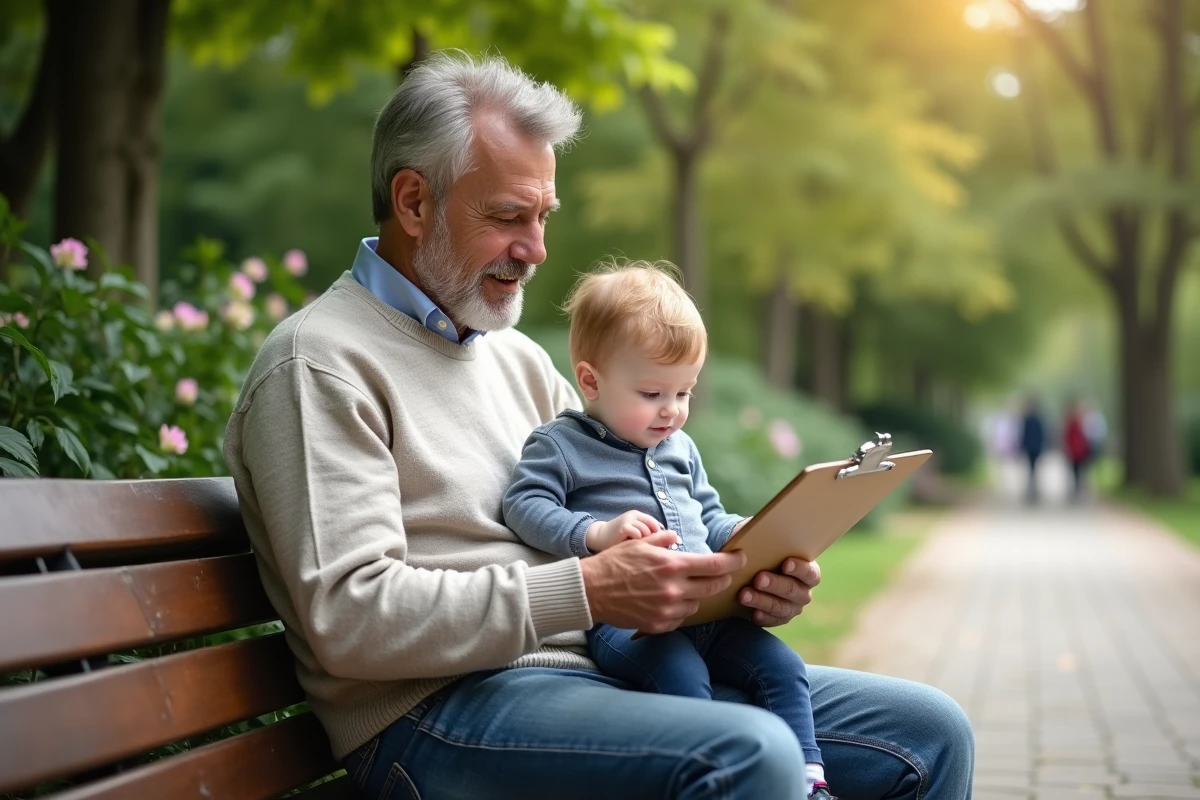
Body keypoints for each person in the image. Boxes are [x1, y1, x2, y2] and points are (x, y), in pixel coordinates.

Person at [224, 53, 974, 799]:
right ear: (414, 203)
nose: (537, 250)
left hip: (598, 672)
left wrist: (741, 578)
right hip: (434, 713)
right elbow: (349, 617)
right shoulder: (318, 364)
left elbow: (611, 509)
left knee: (930, 731)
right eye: (509, 217)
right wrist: (585, 591)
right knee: (751, 755)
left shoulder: (512, 359)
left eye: (543, 216)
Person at [502, 263, 831, 798]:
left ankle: (808, 781)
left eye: (684, 393)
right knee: (681, 677)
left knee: (783, 668)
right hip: (628, 622)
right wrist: (597, 533)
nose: (673, 413)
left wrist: (750, 532)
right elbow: (523, 504)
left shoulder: (679, 448)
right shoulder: (559, 445)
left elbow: (707, 516)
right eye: (654, 393)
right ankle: (715, 774)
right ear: (591, 380)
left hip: (707, 611)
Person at [1062, 400, 1092, 501]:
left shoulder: (1081, 422)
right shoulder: (1073, 422)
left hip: (1079, 450)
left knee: (1077, 470)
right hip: (1074, 450)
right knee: (1075, 470)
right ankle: (1077, 488)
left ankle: (1077, 488)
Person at [1019, 397, 1046, 504]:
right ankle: (1032, 489)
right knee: (1032, 469)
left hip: (1033, 448)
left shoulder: (1028, 419)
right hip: (1033, 448)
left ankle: (1032, 489)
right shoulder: (1032, 419)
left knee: (1032, 469)